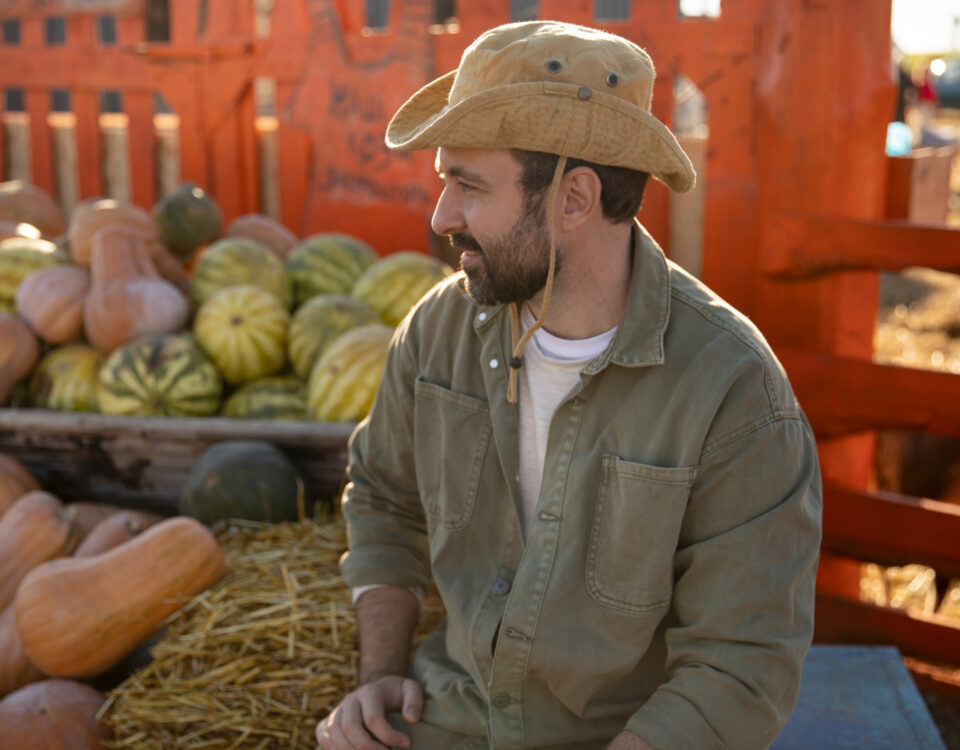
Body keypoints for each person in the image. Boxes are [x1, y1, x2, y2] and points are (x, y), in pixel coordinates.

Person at [316, 20, 822, 750]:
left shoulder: (734, 391)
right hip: (444, 725)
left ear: (575, 199)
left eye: (469, 186)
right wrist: (378, 676)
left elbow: (740, 663)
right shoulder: (437, 332)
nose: (441, 217)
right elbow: (384, 499)